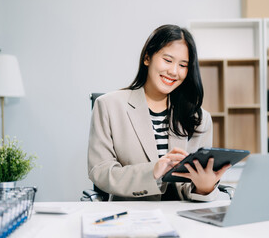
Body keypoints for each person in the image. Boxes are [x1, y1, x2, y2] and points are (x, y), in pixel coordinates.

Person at [88, 24, 231, 201]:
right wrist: (153, 171)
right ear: (147, 58)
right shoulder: (108, 106)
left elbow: (190, 186)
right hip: (131, 217)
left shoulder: (199, 118)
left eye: (183, 65)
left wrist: (204, 187)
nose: (173, 71)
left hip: (183, 218)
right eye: (168, 60)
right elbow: (100, 172)